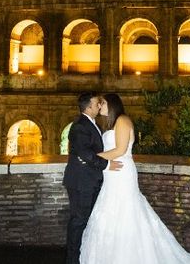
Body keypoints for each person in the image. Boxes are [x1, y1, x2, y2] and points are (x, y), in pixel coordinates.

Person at [80, 93, 190, 264]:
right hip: (111, 174)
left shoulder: (122, 120)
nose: (99, 106)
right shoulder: (110, 124)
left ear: (111, 105)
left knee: (125, 210)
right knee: (110, 209)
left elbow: (120, 150)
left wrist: (92, 158)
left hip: (121, 173)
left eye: (102, 103)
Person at [63, 92, 123, 264]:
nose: (99, 105)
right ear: (88, 106)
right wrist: (106, 165)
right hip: (81, 181)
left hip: (89, 180)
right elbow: (84, 152)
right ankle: (72, 260)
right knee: (78, 221)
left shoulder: (92, 124)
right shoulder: (80, 126)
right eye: (97, 103)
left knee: (85, 220)